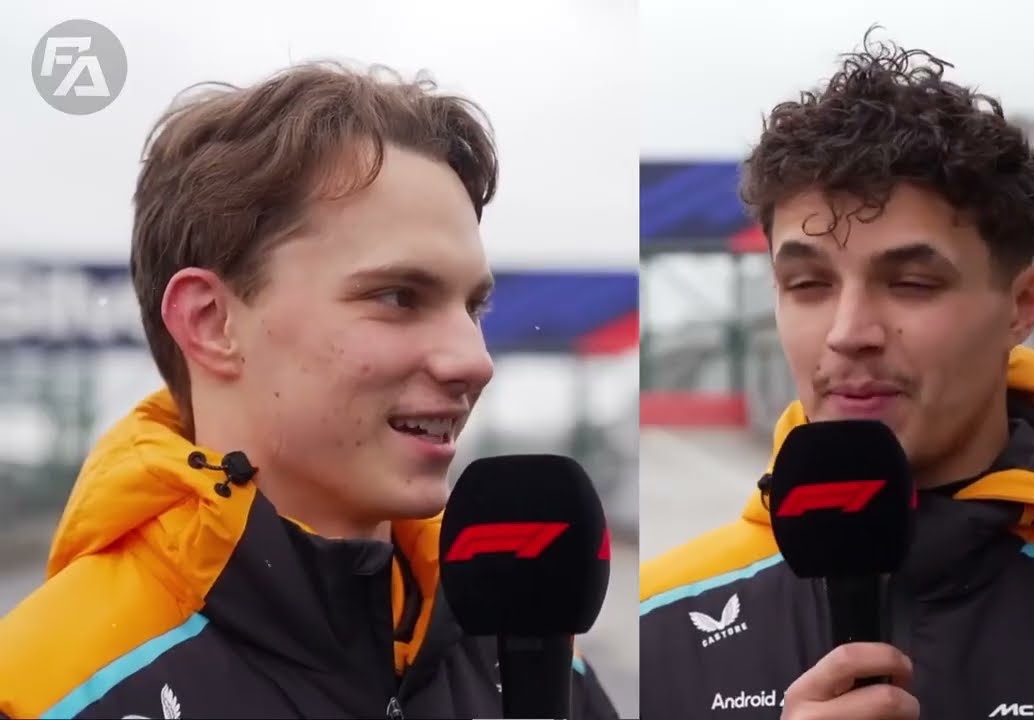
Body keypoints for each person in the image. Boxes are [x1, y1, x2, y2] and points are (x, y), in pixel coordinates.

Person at [639, 32, 1034, 719]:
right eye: (807, 284)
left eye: (912, 282)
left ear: (1023, 305)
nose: (849, 331)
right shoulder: (664, 619)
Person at [0, 61, 618, 720]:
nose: (475, 360)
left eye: (474, 308)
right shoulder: (43, 693)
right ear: (210, 322)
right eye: (398, 297)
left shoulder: (531, 657)